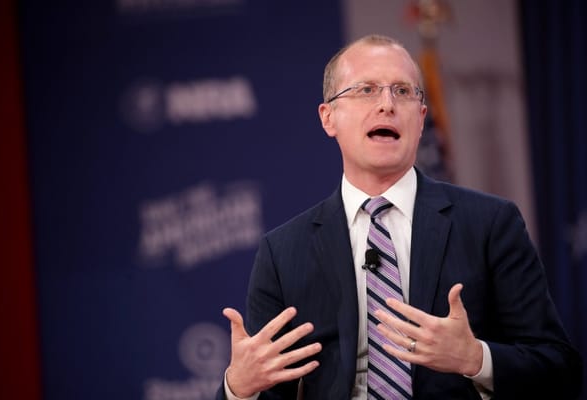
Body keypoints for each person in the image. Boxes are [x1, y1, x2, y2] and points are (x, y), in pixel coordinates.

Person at [215, 34, 582, 399]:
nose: (387, 105)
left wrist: (475, 358)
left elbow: (560, 370)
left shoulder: (490, 224)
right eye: (366, 90)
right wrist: (239, 389)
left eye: (403, 91)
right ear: (329, 118)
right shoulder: (283, 252)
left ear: (421, 120)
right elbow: (270, 389)